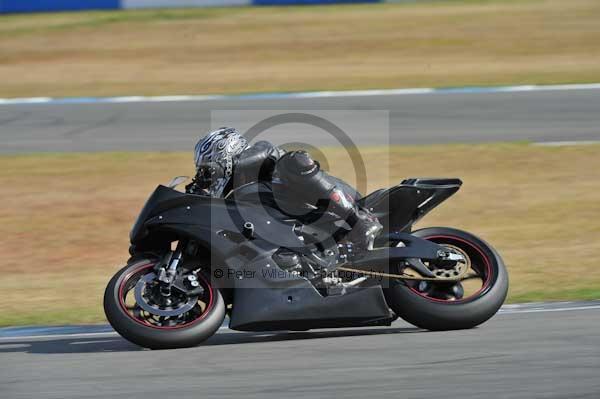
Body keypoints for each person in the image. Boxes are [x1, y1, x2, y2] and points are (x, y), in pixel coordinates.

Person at [186, 127, 382, 251]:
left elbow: (264, 149)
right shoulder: (239, 193)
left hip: (338, 205)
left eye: (210, 170)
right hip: (304, 229)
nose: (210, 176)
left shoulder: (262, 157)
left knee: (292, 162)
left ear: (226, 155)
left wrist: (233, 164)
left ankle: (360, 220)